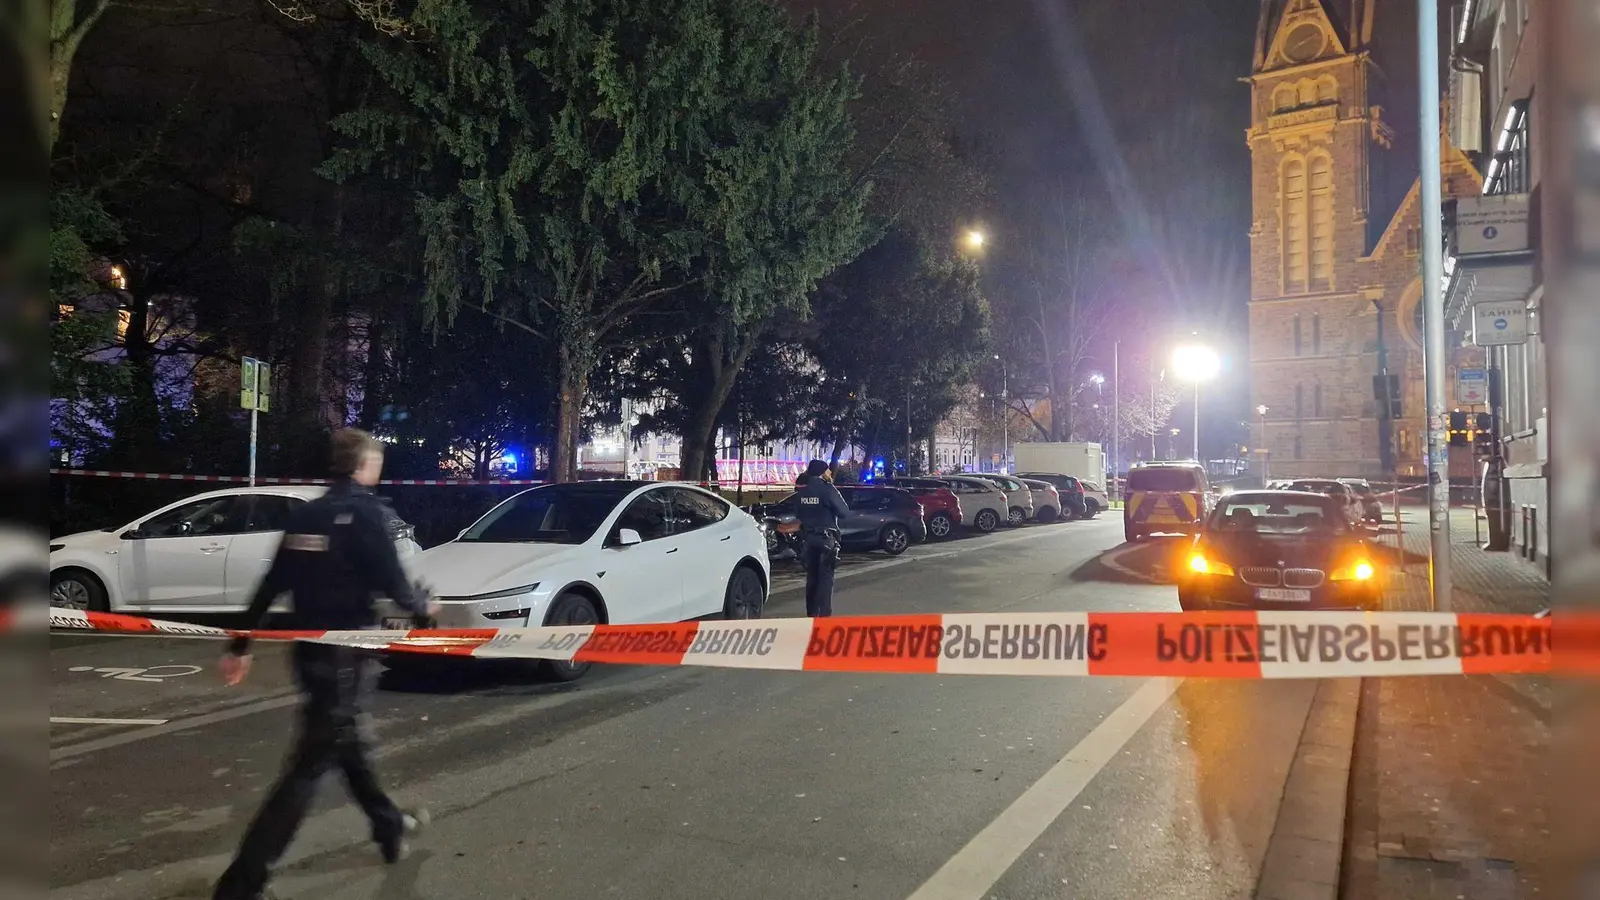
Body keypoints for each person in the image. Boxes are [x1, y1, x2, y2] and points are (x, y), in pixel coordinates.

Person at [212, 429, 438, 900]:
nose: (379, 467)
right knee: (309, 767)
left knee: (346, 743)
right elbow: (393, 581)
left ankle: (388, 824)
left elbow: (271, 582)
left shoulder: (307, 515)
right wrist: (422, 609)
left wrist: (240, 644)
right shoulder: (366, 514)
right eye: (377, 460)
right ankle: (241, 884)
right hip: (347, 660)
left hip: (312, 654)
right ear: (363, 465)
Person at [794, 459, 849, 618]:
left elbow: (798, 514)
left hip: (808, 540)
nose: (830, 473)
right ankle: (824, 618)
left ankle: (811, 615)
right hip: (827, 540)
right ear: (822, 472)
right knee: (825, 579)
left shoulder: (802, 491)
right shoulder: (828, 489)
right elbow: (844, 512)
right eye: (828, 470)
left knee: (812, 578)